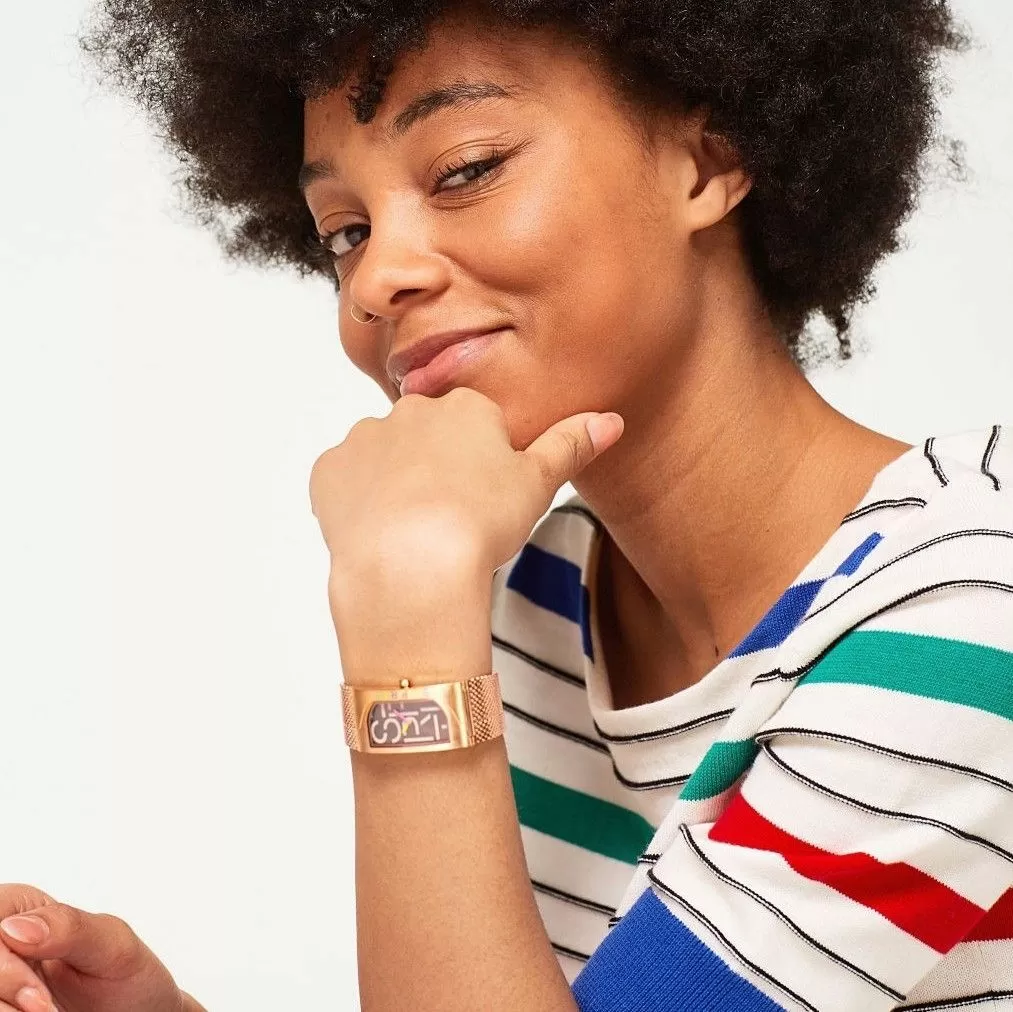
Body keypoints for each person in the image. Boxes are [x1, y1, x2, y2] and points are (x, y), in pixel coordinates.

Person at [3, 0, 1011, 1010]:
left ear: (706, 163)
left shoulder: (972, 613)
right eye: (345, 232)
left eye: (464, 169)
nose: (375, 281)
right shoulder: (542, 597)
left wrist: (405, 621)